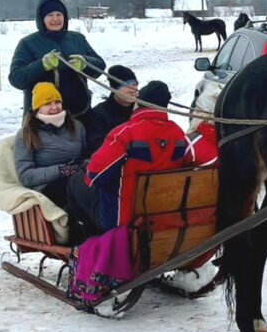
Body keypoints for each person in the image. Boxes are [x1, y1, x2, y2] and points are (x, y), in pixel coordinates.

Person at [82, 81, 194, 233]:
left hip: (122, 221)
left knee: (75, 185)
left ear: (139, 103)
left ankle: (85, 238)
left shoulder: (125, 133)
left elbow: (94, 175)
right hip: (162, 214)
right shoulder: (177, 132)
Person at [8, 0, 106, 117]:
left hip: (81, 114)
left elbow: (100, 66)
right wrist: (41, 65)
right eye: (50, 15)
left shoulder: (77, 39)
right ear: (41, 19)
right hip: (43, 120)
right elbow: (16, 79)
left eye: (59, 14)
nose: (56, 19)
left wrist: (85, 63)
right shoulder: (28, 43)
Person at [14, 82, 87, 210]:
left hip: (78, 178)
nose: (54, 107)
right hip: (48, 186)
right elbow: (25, 175)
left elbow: (88, 155)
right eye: (47, 104)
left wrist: (85, 165)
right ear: (38, 108)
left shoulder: (76, 126)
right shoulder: (27, 133)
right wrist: (60, 170)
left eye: (57, 102)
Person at [83, 64, 139, 153]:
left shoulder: (143, 110)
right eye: (126, 85)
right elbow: (97, 145)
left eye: (134, 85)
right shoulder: (99, 113)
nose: (132, 89)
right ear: (114, 89)